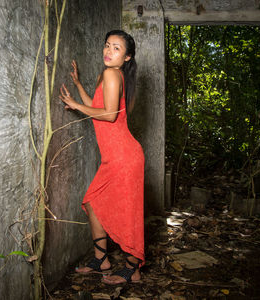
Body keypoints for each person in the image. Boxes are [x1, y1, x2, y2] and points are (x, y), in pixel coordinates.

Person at [59, 30, 145, 285]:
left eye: (117, 48)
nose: (109, 51)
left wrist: (75, 105)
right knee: (93, 202)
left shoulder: (112, 74)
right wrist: (78, 88)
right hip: (117, 157)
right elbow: (98, 107)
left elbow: (108, 115)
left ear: (127, 57)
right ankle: (101, 260)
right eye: (107, 45)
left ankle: (132, 268)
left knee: (128, 213)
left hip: (124, 157)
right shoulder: (108, 75)